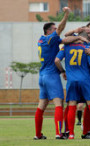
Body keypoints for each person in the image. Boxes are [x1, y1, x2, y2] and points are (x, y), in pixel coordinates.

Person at [54, 30, 90, 139]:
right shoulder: (87, 48)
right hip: (86, 80)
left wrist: (63, 71)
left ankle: (71, 134)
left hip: (72, 80)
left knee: (72, 106)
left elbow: (57, 60)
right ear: (85, 38)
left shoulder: (66, 47)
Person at [34, 7, 70, 140]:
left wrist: (76, 35)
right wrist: (66, 14)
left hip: (42, 76)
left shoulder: (41, 39)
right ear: (49, 31)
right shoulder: (50, 39)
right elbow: (61, 28)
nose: (57, 31)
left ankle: (38, 135)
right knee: (59, 103)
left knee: (41, 106)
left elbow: (63, 40)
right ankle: (58, 133)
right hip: (51, 76)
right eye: (54, 29)